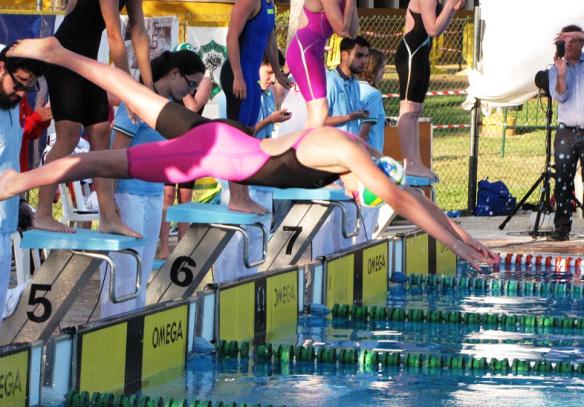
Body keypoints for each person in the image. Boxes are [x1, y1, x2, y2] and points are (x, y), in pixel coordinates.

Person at [1, 37, 499, 270]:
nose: (360, 191)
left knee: (136, 94)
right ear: (366, 173)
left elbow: (414, 200)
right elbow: (403, 200)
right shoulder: (341, 149)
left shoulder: (346, 152)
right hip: (210, 157)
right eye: (366, 187)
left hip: (219, 140)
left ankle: (58, 53)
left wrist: (460, 234)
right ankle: (12, 184)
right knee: (95, 161)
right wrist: (457, 249)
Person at [103, 49, 208, 316]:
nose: (190, 92)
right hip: (128, 197)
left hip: (152, 195)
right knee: (125, 272)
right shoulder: (137, 103)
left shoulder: (167, 110)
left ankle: (133, 326)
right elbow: (115, 155)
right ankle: (110, 331)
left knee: (141, 273)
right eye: (190, 84)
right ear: (174, 73)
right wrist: (110, 204)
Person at [34, 0, 152, 236]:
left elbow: (138, 30)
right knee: (68, 135)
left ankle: (107, 217)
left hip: (86, 61)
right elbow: (114, 36)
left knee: (101, 134)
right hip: (63, 57)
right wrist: (128, 90)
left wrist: (147, 85)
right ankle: (43, 214)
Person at [220, 0, 288, 214]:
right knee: (236, 136)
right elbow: (231, 37)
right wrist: (238, 76)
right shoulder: (249, 1)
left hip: (250, 77)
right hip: (238, 73)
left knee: (248, 136)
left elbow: (269, 41)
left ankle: (244, 195)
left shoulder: (269, 5)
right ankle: (236, 197)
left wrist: (277, 73)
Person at [0, 45, 45, 325]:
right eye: (18, 85)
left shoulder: (11, 103)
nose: (21, 94)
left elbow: (9, 161)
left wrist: (19, 204)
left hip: (4, 225)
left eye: (27, 89)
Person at [395, 0, 465, 180]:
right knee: (408, 109)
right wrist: (449, 5)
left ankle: (416, 162)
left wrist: (452, 10)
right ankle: (409, 163)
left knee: (416, 111)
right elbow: (432, 29)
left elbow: (439, 28)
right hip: (411, 54)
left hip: (421, 55)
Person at [159, 44, 214, 260]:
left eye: (193, 83)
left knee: (185, 196)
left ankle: (183, 247)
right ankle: (164, 247)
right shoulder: (170, 83)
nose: (190, 87)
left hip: (190, 143)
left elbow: (192, 107)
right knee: (167, 194)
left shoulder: (205, 81)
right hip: (170, 140)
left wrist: (184, 88)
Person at [286, 0, 358, 128]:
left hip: (316, 53)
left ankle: (304, 145)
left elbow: (352, 33)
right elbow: (341, 30)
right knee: (319, 108)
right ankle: (301, 146)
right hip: (304, 51)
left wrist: (351, 4)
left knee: (318, 112)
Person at [548, 25, 584, 241]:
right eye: (565, 42)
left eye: (573, 41)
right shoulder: (555, 69)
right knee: (562, 181)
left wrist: (578, 34)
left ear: (581, 43)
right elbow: (560, 97)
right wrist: (561, 74)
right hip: (566, 132)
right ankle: (562, 229)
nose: (568, 45)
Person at [325, 36, 370, 135]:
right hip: (331, 146)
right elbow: (320, 120)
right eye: (359, 55)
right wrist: (349, 117)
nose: (364, 61)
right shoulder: (330, 81)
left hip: (350, 145)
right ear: (344, 55)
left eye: (366, 56)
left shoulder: (355, 83)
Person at [255, 52, 291, 139]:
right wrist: (270, 120)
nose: (273, 80)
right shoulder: (237, 96)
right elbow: (241, 133)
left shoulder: (268, 93)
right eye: (269, 72)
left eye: (277, 74)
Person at [358, 48, 387, 153]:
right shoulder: (373, 95)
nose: (385, 70)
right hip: (369, 156)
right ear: (373, 68)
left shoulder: (351, 87)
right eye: (382, 67)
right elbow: (364, 133)